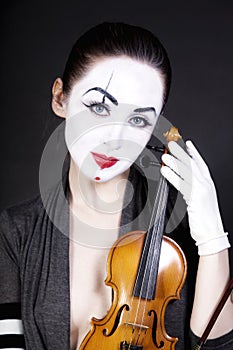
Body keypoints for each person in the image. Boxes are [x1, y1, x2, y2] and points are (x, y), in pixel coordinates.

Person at [0, 22, 232, 350]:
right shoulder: (14, 233)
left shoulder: (177, 222)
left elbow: (217, 346)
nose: (114, 139)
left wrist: (211, 237)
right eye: (98, 108)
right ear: (60, 98)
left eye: (138, 120)